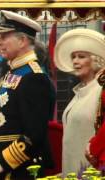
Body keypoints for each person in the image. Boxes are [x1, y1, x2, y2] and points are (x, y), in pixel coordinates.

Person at [0, 10, 55, 179]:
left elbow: (33, 134)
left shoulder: (34, 77)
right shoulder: (15, 71)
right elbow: (8, 114)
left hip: (21, 169)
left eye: (5, 36)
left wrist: (2, 160)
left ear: (22, 40)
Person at [54, 28, 105, 176]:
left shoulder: (101, 90)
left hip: (93, 172)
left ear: (96, 60)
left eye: (81, 56)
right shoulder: (79, 92)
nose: (75, 61)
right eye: (73, 57)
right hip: (72, 172)